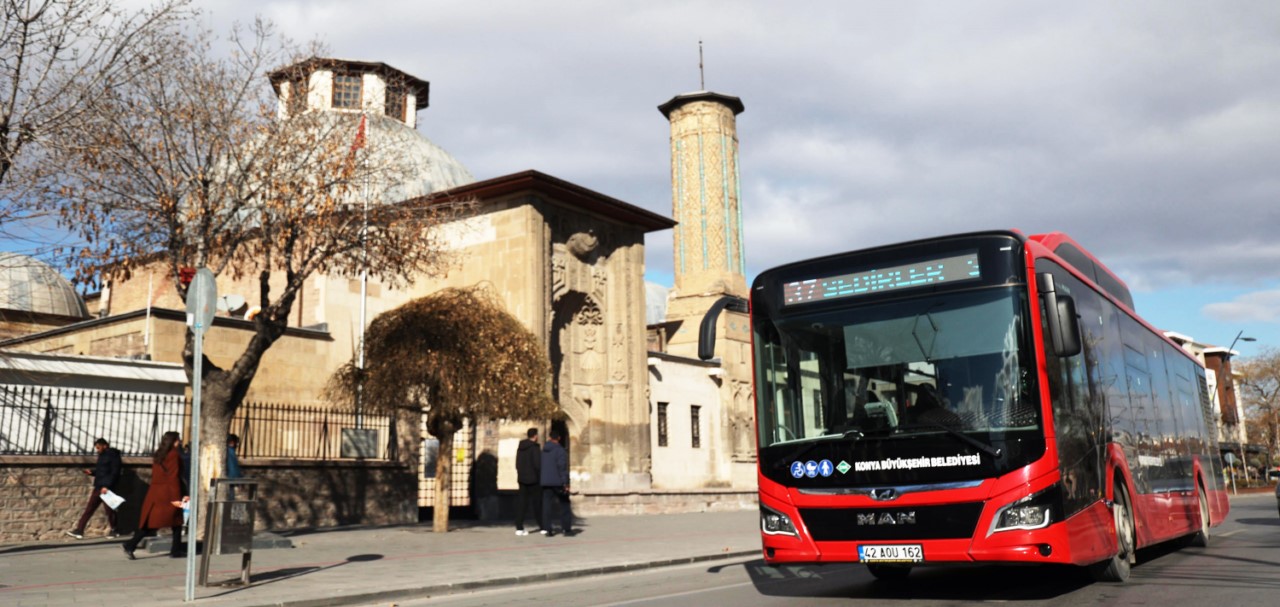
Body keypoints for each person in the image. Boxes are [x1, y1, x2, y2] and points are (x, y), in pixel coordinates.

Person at [122, 431, 186, 559]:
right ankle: (175, 551)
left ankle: (131, 544)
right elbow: (173, 477)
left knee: (154, 522)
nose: (179, 442)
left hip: (155, 492)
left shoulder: (159, 455)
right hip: (168, 492)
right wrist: (176, 497)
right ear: (174, 441)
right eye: (178, 440)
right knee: (176, 522)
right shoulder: (173, 455)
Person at [66, 438, 123, 539]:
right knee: (90, 508)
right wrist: (92, 472)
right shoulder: (102, 456)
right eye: (96, 448)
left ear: (105, 445)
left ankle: (115, 530)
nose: (97, 450)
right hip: (99, 486)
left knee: (109, 510)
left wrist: (106, 486)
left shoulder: (113, 456)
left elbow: (114, 473)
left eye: (98, 447)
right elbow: (102, 471)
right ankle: (79, 530)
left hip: (106, 488)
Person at [540, 429, 574, 537]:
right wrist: (566, 483)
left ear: (549, 438)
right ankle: (566, 528)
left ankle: (547, 529)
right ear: (559, 438)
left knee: (547, 506)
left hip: (545, 482)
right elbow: (562, 467)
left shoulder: (544, 450)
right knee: (564, 504)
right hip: (558, 482)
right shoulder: (560, 451)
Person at [514, 427, 542, 536]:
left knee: (522, 503)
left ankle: (519, 527)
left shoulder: (520, 447)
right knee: (537, 503)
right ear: (535, 436)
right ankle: (542, 526)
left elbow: (517, 464)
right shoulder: (535, 448)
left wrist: (521, 473)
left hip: (522, 478)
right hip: (533, 480)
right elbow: (537, 465)